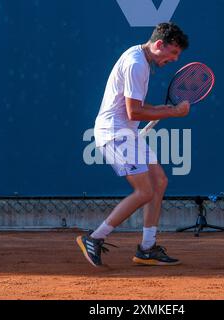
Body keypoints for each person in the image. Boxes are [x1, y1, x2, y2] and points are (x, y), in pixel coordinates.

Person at [77, 22, 190, 267]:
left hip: (127, 133)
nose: (174, 59)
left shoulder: (140, 59)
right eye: (173, 53)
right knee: (145, 191)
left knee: (159, 181)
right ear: (159, 44)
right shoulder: (137, 64)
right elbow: (134, 112)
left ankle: (147, 248)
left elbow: (137, 109)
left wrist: (166, 110)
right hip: (115, 133)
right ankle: (94, 238)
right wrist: (172, 113)